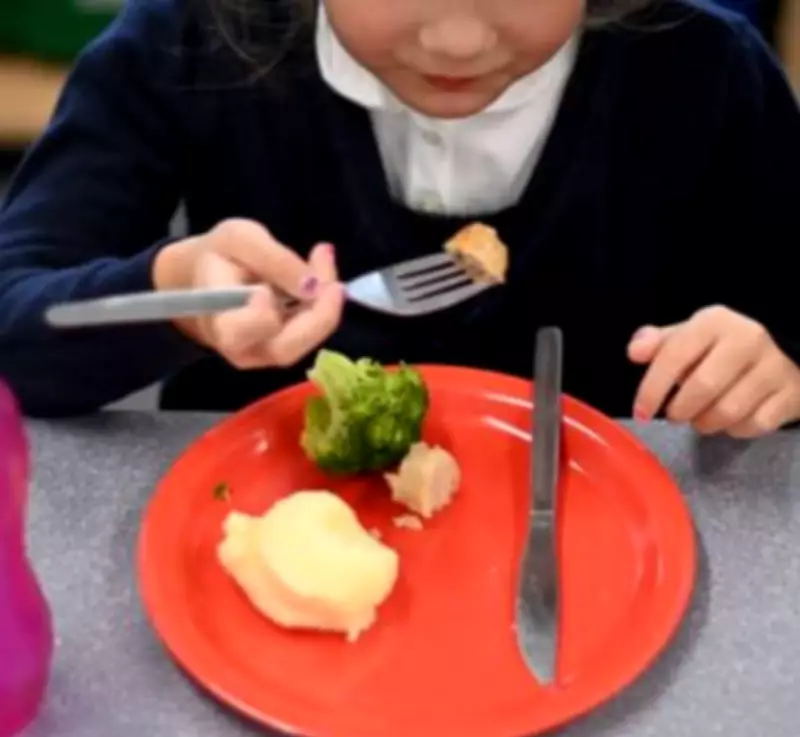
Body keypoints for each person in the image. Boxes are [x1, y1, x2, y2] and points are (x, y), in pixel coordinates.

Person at [0, 0, 798, 438]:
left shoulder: (703, 70)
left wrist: (771, 368)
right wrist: (171, 294)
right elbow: (18, 330)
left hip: (602, 538)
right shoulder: (183, 39)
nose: (457, 37)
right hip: (259, 531)